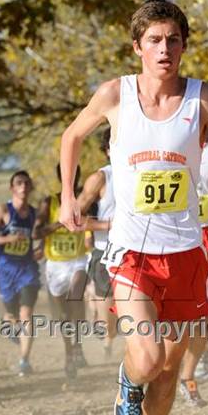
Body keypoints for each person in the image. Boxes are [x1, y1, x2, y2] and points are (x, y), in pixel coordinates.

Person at [59, 0, 208, 415]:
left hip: (186, 251)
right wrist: (65, 199)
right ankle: (126, 380)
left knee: (170, 364)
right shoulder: (114, 95)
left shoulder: (204, 99)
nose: (166, 49)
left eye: (174, 40)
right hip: (131, 253)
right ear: (138, 46)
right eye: (155, 40)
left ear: (184, 45)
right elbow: (72, 137)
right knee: (147, 356)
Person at [33, 164, 94, 379]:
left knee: (76, 297)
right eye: (69, 173)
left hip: (78, 260)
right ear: (62, 176)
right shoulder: (48, 202)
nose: (73, 177)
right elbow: (36, 233)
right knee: (63, 315)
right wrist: (60, 224)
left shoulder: (85, 200)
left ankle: (77, 347)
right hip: (55, 264)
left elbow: (94, 223)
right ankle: (71, 351)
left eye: (77, 173)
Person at [179, 141, 208, 406]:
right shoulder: (168, 136)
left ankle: (188, 376)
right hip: (173, 236)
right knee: (172, 313)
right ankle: (155, 369)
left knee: (204, 315)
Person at [0, 170, 40, 376]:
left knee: (27, 315)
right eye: (19, 183)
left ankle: (24, 360)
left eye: (26, 183)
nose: (23, 186)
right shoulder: (3, 211)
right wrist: (8, 240)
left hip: (27, 270)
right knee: (12, 316)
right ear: (12, 188)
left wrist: (38, 251)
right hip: (6, 270)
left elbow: (36, 239)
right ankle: (11, 324)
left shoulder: (34, 214)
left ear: (30, 188)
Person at [77, 128, 117, 357]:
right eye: (116, 144)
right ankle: (108, 341)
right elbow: (72, 219)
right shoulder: (101, 178)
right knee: (108, 310)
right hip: (105, 253)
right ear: (108, 150)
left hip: (138, 251)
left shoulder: (143, 174)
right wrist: (107, 225)